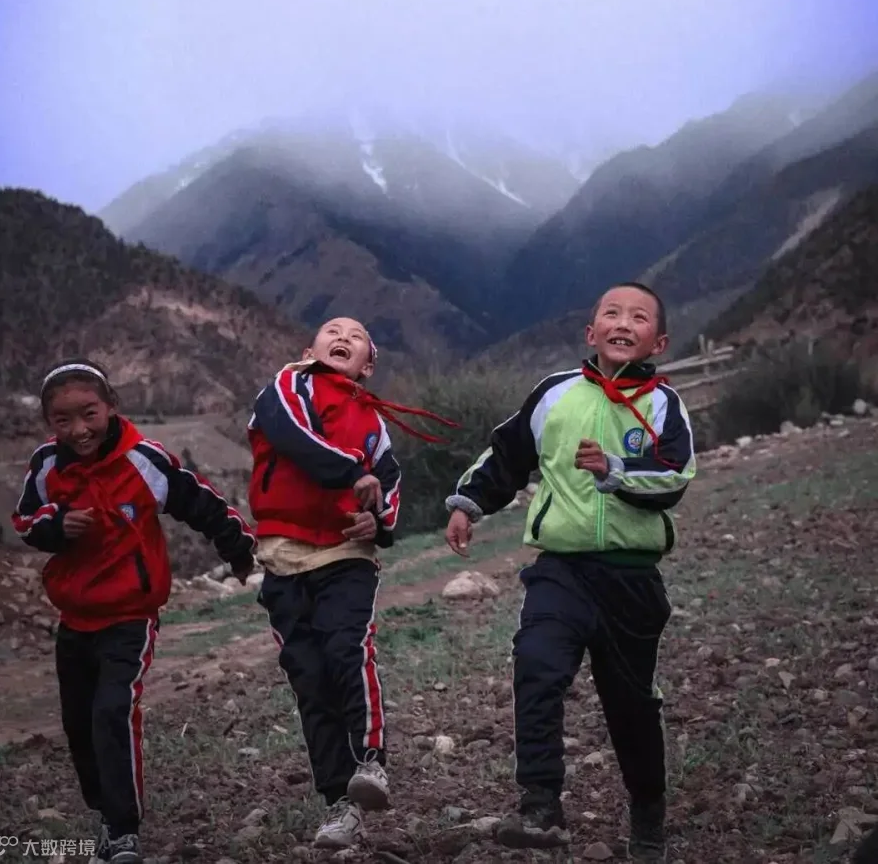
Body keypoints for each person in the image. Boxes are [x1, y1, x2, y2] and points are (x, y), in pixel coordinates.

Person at [444, 283, 695, 862]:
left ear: (658, 342)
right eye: (612, 313)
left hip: (632, 579)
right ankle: (540, 807)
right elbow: (506, 453)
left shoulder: (664, 405)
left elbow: (675, 476)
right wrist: (467, 503)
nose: (623, 323)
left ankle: (648, 811)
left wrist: (615, 470)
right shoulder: (555, 393)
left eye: (639, 317)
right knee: (536, 663)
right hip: (561, 570)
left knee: (631, 707)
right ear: (591, 332)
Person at [13, 360, 256, 864]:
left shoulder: (142, 460)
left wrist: (239, 551)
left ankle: (123, 830)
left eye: (89, 414)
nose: (79, 429)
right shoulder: (47, 465)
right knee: (79, 722)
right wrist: (56, 524)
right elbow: (26, 520)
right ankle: (104, 810)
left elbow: (202, 503)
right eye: (63, 420)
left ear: (111, 408)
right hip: (74, 618)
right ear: (49, 423)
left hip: (130, 615)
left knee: (112, 711)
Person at [249, 316, 454, 852]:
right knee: (310, 680)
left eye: (356, 336)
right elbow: (293, 437)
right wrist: (349, 473)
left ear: (368, 366)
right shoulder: (286, 386)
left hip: (345, 555)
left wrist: (377, 521)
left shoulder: (373, 422)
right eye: (331, 330)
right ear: (308, 349)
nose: (342, 337)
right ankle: (339, 804)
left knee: (347, 650)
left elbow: (388, 481)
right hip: (283, 557)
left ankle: (370, 763)